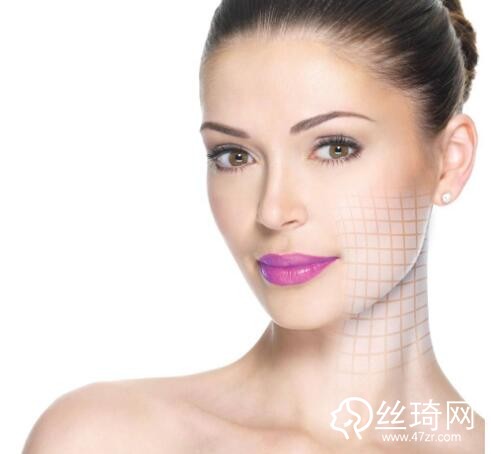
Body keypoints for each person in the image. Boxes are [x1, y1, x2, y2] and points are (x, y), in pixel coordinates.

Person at [23, 0, 484, 452]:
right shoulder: (104, 439)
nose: (272, 210)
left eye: (335, 148)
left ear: (450, 160)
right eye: (235, 156)